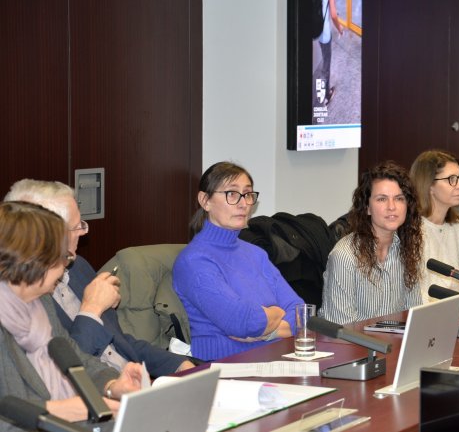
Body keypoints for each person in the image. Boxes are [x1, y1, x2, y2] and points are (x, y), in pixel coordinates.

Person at [4, 179, 193, 377]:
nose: (84, 232)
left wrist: (177, 363)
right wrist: (92, 309)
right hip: (93, 388)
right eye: (76, 227)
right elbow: (64, 370)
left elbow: (119, 341)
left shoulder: (78, 267)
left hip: (126, 381)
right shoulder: (27, 296)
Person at [0, 201, 142, 431]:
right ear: (32, 262)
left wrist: (112, 386)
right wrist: (62, 410)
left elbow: (75, 356)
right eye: (62, 256)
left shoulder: (40, 302)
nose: (68, 263)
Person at [172, 162, 304, 360]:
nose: (243, 204)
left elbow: (300, 312)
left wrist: (269, 331)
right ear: (205, 200)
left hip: (276, 358)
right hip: (224, 365)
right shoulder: (193, 261)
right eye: (232, 194)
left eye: (248, 194)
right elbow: (242, 322)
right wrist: (276, 314)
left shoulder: (256, 253)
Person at [320, 161, 424, 324]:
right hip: (352, 339)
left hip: (395, 339)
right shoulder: (344, 256)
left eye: (399, 198)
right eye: (382, 199)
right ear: (367, 207)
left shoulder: (407, 248)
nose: (392, 207)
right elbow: (342, 328)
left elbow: (413, 315)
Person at [409, 150, 459, 301]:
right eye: (452, 179)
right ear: (429, 185)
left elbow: (455, 286)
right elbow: (414, 294)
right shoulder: (410, 229)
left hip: (452, 306)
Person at [316, 0, 344, 106]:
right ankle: (323, 98)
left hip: (317, 22)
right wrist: (340, 28)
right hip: (325, 29)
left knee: (323, 62)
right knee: (326, 66)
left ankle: (322, 95)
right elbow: (333, 14)